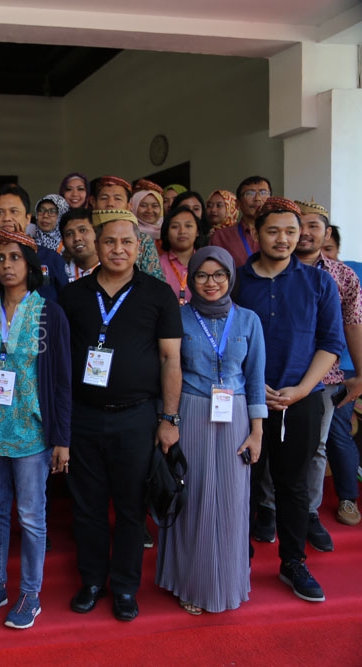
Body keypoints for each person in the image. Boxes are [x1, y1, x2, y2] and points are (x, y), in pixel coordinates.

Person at [59, 208, 182, 623]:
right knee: (88, 506)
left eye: (126, 242)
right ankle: (93, 581)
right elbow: (58, 363)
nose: (117, 249)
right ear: (96, 244)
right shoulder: (73, 296)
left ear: (138, 246)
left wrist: (169, 419)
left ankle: (126, 587)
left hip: (137, 417)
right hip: (84, 416)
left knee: (132, 508)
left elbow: (170, 360)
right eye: (109, 241)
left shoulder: (158, 293)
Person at [235, 197, 342, 604]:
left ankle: (292, 561)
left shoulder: (319, 283)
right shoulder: (238, 281)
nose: (284, 239)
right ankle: (235, 557)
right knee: (242, 481)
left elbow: (330, 343)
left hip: (302, 398)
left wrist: (301, 389)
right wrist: (252, 383)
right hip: (247, 397)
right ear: (256, 234)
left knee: (293, 485)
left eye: (291, 232)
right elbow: (225, 339)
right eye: (274, 231)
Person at [0, 229, 71, 629]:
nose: (7, 265)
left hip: (32, 430)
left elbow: (61, 379)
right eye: (0, 259)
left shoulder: (49, 313)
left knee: (31, 515)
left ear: (31, 267)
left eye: (14, 258)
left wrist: (62, 439)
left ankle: (31, 592)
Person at [156, 247, 265, 615]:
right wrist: (167, 421)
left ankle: (230, 582)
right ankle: (191, 582)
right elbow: (167, 370)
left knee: (234, 503)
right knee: (195, 499)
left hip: (234, 416)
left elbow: (255, 378)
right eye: (202, 275)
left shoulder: (248, 320)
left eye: (219, 274)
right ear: (192, 278)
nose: (211, 282)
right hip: (192, 411)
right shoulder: (178, 318)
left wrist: (257, 432)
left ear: (231, 277)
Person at [292, 200, 362, 541]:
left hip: (325, 379)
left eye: (313, 226)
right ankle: (269, 509)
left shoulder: (342, 275)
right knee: (272, 446)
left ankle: (308, 512)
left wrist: (361, 373)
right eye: (298, 226)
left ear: (327, 233)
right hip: (275, 375)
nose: (305, 233)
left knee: (317, 447)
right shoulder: (268, 269)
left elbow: (353, 324)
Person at [0, 184, 67, 307]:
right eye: (0, 212)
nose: (7, 218)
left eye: (14, 211)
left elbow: (66, 308)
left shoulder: (52, 260)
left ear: (28, 218)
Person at [88, 176, 166, 281]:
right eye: (104, 198)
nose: (110, 204)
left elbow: (156, 283)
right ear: (93, 202)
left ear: (129, 206)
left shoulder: (143, 240)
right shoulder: (84, 235)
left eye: (118, 198)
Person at [210, 176, 271, 266]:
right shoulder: (222, 237)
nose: (258, 198)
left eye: (263, 193)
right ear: (237, 204)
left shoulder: (282, 234)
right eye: (250, 193)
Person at [159, 206, 200, 304]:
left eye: (188, 226)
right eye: (175, 227)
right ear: (166, 232)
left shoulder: (204, 263)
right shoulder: (157, 264)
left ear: (197, 231)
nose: (182, 231)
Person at [61, 208, 99, 282]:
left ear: (96, 233)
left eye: (82, 230)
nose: (77, 238)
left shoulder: (111, 269)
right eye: (69, 234)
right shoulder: (59, 272)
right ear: (63, 242)